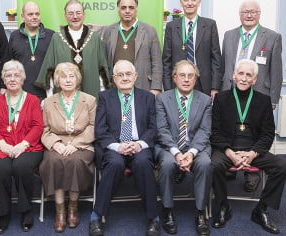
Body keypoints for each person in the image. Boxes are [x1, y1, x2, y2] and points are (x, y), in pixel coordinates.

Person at [211, 59, 286, 234]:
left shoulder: (263, 100)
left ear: (255, 80)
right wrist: (230, 153)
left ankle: (261, 209)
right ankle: (223, 207)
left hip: (254, 149)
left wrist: (253, 153)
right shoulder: (221, 98)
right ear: (233, 76)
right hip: (227, 148)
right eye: (241, 73)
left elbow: (268, 134)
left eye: (249, 75)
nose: (244, 78)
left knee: (283, 167)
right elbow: (215, 132)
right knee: (214, 165)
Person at [89, 60, 160, 236]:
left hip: (140, 145)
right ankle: (96, 215)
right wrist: (117, 146)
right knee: (115, 164)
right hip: (115, 147)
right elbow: (100, 129)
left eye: (128, 74)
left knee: (143, 162)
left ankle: (153, 218)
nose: (125, 78)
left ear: (136, 76)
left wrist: (139, 144)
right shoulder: (105, 97)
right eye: (120, 75)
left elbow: (154, 128)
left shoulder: (148, 97)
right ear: (113, 78)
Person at [220, 0, 283, 191]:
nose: (249, 15)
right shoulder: (229, 35)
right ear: (240, 15)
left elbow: (276, 71)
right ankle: (230, 166)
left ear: (259, 14)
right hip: (230, 93)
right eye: (245, 12)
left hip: (259, 94)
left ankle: (251, 174)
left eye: (253, 12)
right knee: (230, 128)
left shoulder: (272, 37)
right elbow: (225, 66)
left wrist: (273, 99)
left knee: (254, 134)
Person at [155, 60, 212, 236]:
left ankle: (200, 212)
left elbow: (204, 131)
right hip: (169, 147)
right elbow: (162, 130)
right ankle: (168, 210)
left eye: (190, 76)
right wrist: (178, 153)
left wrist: (191, 153)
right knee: (166, 164)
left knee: (205, 164)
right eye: (182, 75)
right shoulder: (162, 98)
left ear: (195, 79)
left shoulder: (205, 100)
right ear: (174, 78)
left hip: (196, 147)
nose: (186, 79)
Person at [0, 60, 44, 234]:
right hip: (2, 146)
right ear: (3, 79)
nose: (12, 79)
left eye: (16, 75)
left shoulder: (33, 100)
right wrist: (3, 145)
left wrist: (22, 145)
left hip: (28, 146)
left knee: (22, 167)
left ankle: (25, 210)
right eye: (8, 75)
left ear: (22, 79)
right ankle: (3, 213)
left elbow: (37, 126)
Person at [40, 62, 96, 232]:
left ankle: (73, 207)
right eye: (63, 77)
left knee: (75, 162)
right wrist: (55, 144)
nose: (68, 80)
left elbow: (93, 127)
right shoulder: (49, 102)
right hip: (56, 144)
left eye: (72, 76)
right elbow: (44, 129)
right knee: (53, 162)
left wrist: (76, 144)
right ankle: (60, 211)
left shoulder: (90, 100)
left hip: (82, 144)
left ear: (77, 79)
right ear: (57, 80)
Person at [35, 0, 110, 98]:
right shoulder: (57, 38)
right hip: (63, 99)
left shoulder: (95, 38)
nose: (75, 17)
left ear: (84, 15)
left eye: (78, 13)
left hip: (90, 96)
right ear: (65, 16)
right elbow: (50, 69)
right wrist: (50, 97)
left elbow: (102, 70)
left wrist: (101, 97)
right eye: (70, 13)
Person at [99, 0, 163, 95]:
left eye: (131, 7)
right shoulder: (109, 31)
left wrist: (156, 88)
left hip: (143, 86)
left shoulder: (150, 31)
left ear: (136, 10)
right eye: (123, 8)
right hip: (115, 88)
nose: (127, 11)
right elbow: (104, 62)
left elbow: (157, 62)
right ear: (118, 10)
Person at [162, 0, 221, 101]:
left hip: (203, 83)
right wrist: (168, 89)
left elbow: (216, 59)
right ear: (181, 3)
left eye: (193, 0)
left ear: (199, 2)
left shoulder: (210, 25)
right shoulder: (171, 27)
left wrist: (215, 87)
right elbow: (166, 60)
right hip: (178, 83)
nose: (189, 3)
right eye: (185, 0)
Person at [9, 1, 54, 100]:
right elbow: (9, 64)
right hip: (21, 93)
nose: (34, 17)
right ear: (22, 16)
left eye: (37, 14)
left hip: (45, 94)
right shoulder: (14, 36)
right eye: (30, 14)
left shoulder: (51, 36)